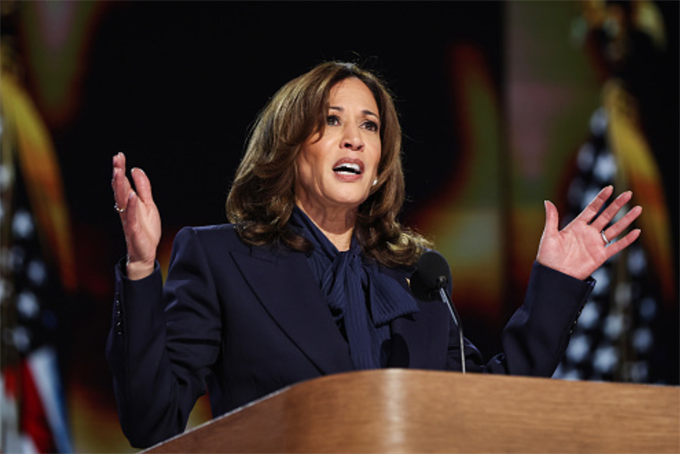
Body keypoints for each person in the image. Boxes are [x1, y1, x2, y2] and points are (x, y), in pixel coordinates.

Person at [106, 61, 642, 448]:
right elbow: (153, 420)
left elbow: (482, 407)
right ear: (290, 147)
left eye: (369, 126)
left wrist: (555, 281)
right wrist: (140, 267)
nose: (354, 140)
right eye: (333, 120)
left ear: (383, 161)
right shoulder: (224, 258)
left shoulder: (416, 276)